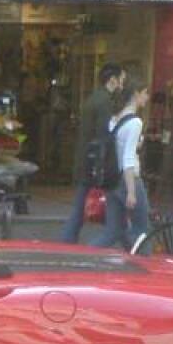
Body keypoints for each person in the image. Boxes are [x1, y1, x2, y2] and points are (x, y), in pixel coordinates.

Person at [62, 62, 125, 243]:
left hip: (87, 159)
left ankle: (68, 240)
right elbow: (103, 133)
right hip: (95, 162)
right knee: (86, 208)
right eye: (121, 80)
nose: (122, 84)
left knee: (81, 207)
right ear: (112, 80)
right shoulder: (104, 102)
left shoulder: (94, 98)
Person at [93, 77, 151, 252]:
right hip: (128, 180)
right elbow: (128, 158)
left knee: (113, 231)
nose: (147, 97)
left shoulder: (115, 119)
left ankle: (85, 256)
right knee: (141, 230)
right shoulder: (135, 122)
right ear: (136, 94)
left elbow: (119, 147)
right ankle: (145, 268)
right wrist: (132, 191)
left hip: (112, 179)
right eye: (145, 93)